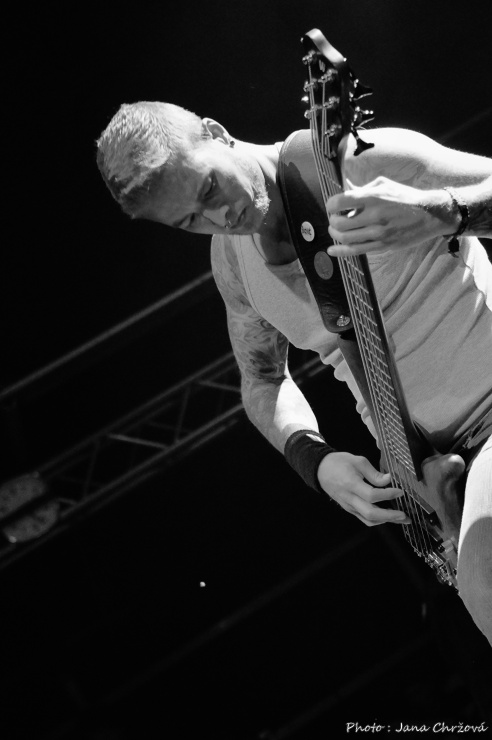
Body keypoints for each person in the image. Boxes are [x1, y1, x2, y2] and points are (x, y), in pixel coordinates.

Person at [96, 101, 492, 644]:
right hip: (436, 482)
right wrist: (315, 460)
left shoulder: (359, 162)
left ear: (217, 133)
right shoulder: (233, 264)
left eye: (210, 188)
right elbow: (262, 380)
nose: (220, 218)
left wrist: (443, 213)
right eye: (190, 221)